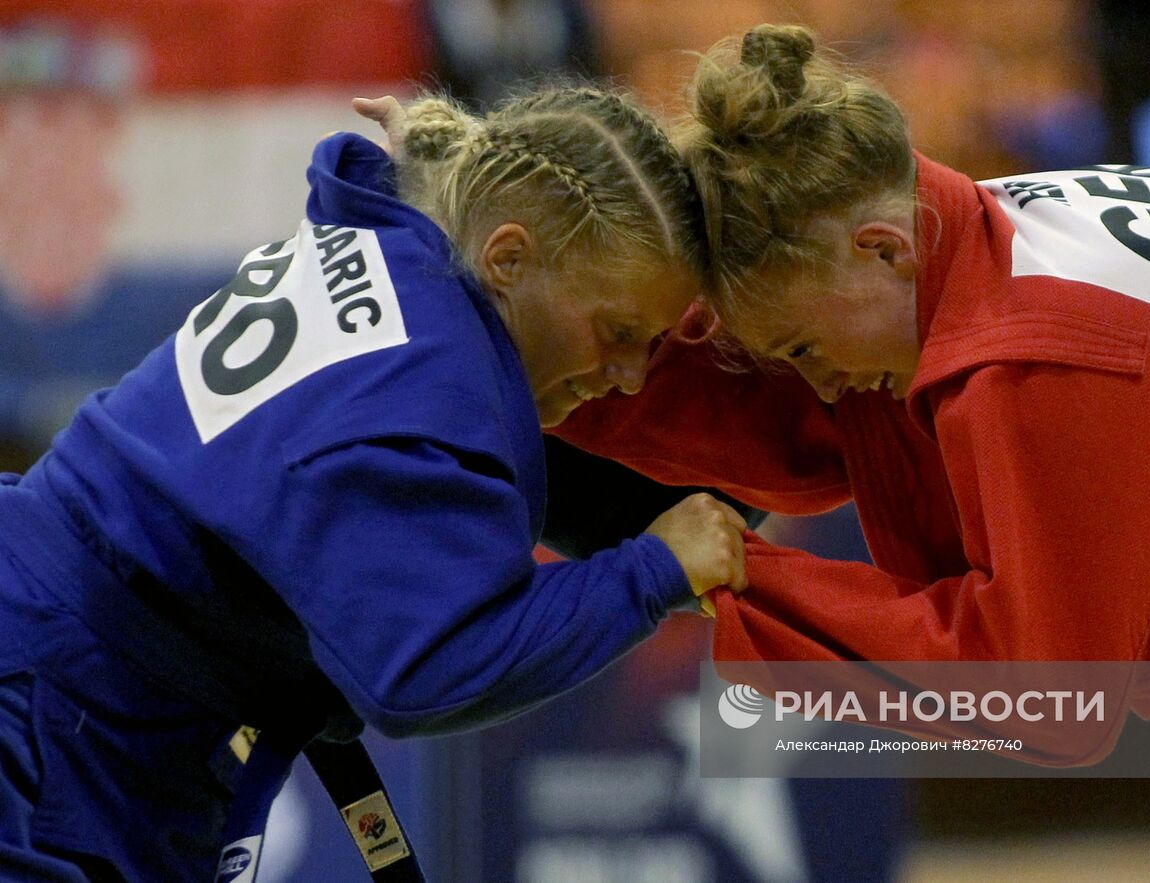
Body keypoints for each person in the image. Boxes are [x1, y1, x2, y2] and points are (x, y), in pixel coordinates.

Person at [544, 24, 1150, 883]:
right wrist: (550, 371)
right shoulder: (967, 227)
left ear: (881, 249)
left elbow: (1051, 699)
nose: (826, 385)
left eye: (803, 349)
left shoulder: (1045, 369)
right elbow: (800, 427)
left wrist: (737, 577)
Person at [0, 85, 750, 881]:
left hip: (84, 664)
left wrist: (436, 153)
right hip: (60, 691)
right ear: (506, 258)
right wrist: (653, 571)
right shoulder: (427, 383)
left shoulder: (393, 238)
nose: (631, 377)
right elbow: (427, 670)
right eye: (617, 333)